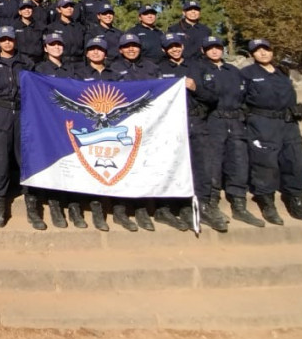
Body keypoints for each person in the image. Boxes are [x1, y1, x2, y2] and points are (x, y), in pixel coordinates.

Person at [241, 39, 302, 229]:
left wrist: (298, 108)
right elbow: (240, 101)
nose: (263, 53)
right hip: (263, 124)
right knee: (266, 164)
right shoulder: (246, 74)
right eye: (257, 51)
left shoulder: (282, 71)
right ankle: (268, 204)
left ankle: (297, 205)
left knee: (295, 162)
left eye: (266, 49)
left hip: (288, 124)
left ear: (272, 52)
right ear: (252, 55)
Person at [197, 36, 263, 229]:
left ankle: (239, 205)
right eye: (210, 48)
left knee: (238, 162)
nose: (214, 51)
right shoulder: (201, 70)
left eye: (217, 47)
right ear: (204, 51)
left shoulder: (234, 71)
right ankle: (212, 204)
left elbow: (245, 96)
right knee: (213, 163)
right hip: (214, 120)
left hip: (235, 120)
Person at [0, 26, 36, 229]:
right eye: (3, 39)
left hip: (23, 113)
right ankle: (0, 205)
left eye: (10, 39)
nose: (7, 42)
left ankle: (32, 205)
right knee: (1, 161)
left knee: (26, 159)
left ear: (15, 41)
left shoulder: (27, 63)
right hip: (0, 114)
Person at [156, 32, 207, 232]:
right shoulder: (158, 69)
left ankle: (190, 205)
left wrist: (195, 88)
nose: (174, 49)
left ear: (182, 47)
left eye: (177, 45)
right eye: (170, 47)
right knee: (168, 163)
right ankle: (166, 207)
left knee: (196, 164)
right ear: (163, 50)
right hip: (167, 123)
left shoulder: (197, 67)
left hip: (194, 120)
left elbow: (211, 96)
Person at [72, 37, 125, 231]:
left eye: (100, 49)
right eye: (92, 50)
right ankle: (95, 209)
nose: (96, 53)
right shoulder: (78, 74)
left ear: (105, 53)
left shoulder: (116, 74)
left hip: (112, 129)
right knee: (90, 165)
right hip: (90, 128)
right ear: (86, 53)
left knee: (115, 165)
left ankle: (118, 211)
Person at [110, 33, 160, 231]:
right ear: (120, 49)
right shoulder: (113, 68)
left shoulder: (151, 67)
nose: (131, 49)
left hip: (147, 124)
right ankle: (119, 209)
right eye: (127, 46)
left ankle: (141, 208)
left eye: (134, 46)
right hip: (122, 125)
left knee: (142, 164)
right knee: (121, 164)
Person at [33, 31, 75, 228]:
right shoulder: (39, 69)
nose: (56, 47)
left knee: (68, 162)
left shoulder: (71, 70)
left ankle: (73, 206)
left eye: (59, 44)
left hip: (67, 123)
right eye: (52, 44)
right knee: (51, 162)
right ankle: (54, 205)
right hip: (47, 123)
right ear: (45, 48)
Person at [48, 0, 84, 65]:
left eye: (71, 6)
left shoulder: (80, 27)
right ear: (59, 10)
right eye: (65, 6)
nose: (69, 8)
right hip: (61, 63)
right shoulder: (52, 28)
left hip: (79, 64)